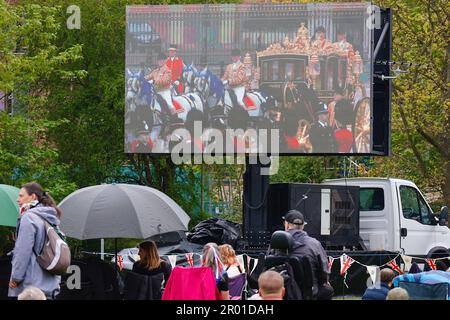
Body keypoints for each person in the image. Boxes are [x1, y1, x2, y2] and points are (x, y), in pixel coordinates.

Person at [8, 182, 62, 299]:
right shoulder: (51, 218)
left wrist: (16, 277)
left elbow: (23, 251)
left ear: (33, 197)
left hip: (31, 287)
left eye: (21, 196)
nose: (18, 200)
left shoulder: (29, 217)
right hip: (50, 284)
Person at [281, 210, 331, 299]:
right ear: (303, 226)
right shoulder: (315, 244)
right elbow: (324, 273)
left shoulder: (275, 244)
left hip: (282, 293)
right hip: (310, 294)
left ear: (287, 225)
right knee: (327, 289)